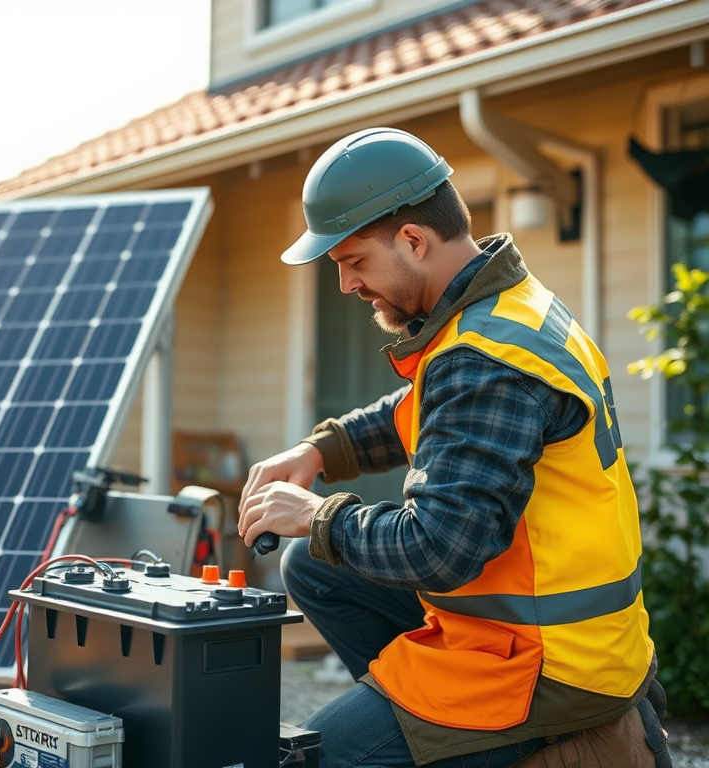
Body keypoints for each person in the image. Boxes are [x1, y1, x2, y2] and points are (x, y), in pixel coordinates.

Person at [237, 127, 670, 768]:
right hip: (553, 628)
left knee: (306, 760)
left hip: (546, 662)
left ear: (414, 240)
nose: (347, 286)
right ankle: (432, 734)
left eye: (354, 262)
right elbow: (433, 412)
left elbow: (443, 547)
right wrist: (325, 450)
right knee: (312, 566)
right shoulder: (507, 312)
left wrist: (316, 513)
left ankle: (458, 733)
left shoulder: (486, 361)